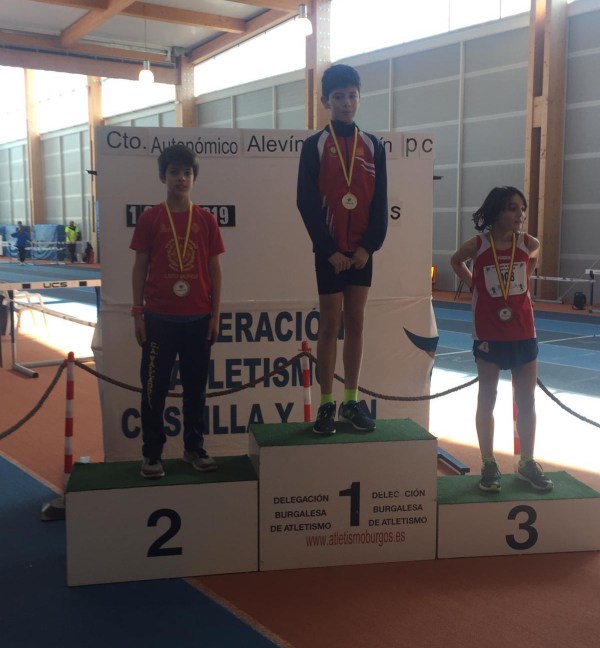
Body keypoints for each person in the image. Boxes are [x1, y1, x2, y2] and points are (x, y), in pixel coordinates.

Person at [297, 64, 388, 435]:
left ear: (359, 98)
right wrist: (328, 248)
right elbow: (306, 202)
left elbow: (380, 202)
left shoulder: (374, 146)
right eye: (338, 97)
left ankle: (350, 400)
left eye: (352, 95)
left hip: (361, 253)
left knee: (356, 323)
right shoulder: (314, 146)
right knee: (330, 324)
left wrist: (368, 247)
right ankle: (326, 404)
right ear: (325, 101)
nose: (346, 103)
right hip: (330, 253)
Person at [450, 186, 553, 493]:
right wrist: (474, 284)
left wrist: (523, 280)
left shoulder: (528, 243)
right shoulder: (478, 244)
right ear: (497, 212)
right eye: (512, 208)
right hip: (489, 332)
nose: (520, 214)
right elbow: (455, 261)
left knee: (526, 399)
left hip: (522, 330)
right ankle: (488, 463)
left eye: (522, 208)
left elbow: (532, 259)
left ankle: (527, 462)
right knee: (488, 397)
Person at [130, 144, 224, 479]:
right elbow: (140, 266)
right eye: (174, 172)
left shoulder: (206, 220)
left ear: (194, 177)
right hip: (159, 320)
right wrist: (138, 312)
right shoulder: (150, 218)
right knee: (153, 389)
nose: (181, 178)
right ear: (163, 176)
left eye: (186, 173)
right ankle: (152, 454)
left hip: (198, 320)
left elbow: (215, 271)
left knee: (196, 390)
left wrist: (215, 316)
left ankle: (194, 448)